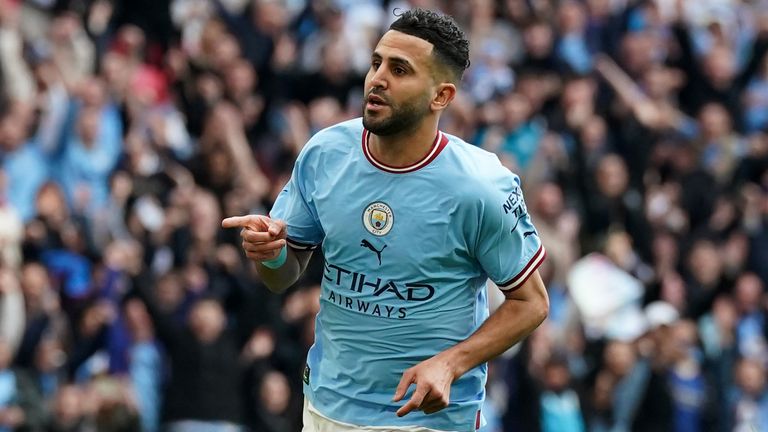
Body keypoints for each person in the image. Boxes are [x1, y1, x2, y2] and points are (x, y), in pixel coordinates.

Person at [223, 8, 549, 431]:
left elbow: (532, 303)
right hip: (326, 407)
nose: (377, 78)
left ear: (442, 96)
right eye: (376, 62)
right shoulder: (326, 153)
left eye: (400, 69)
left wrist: (451, 364)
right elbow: (281, 277)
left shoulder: (481, 186)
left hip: (425, 419)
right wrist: (268, 255)